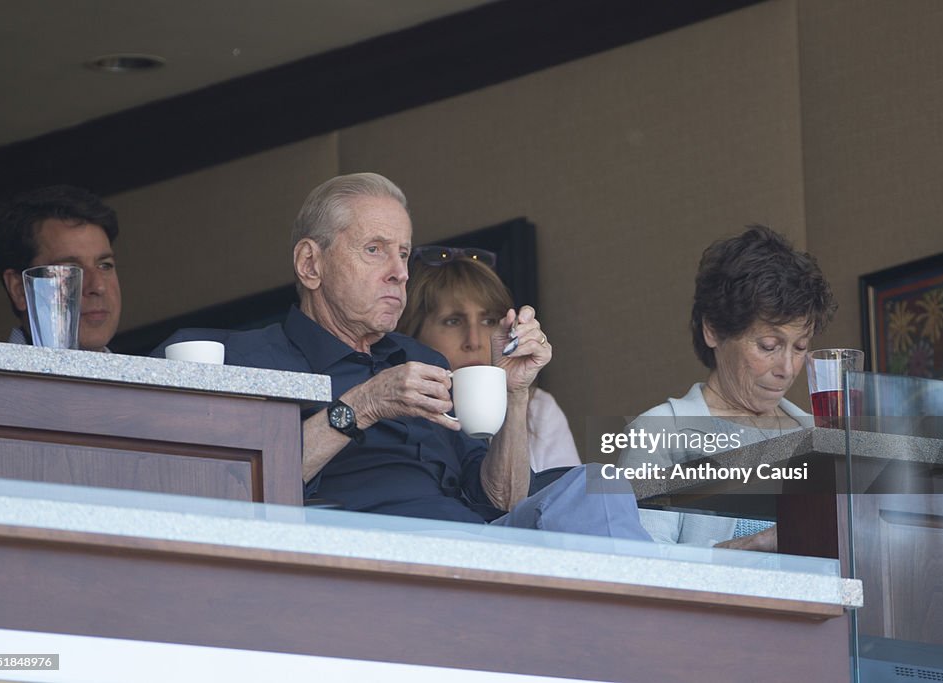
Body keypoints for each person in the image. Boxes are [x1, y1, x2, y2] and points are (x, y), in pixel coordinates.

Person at [155, 172, 649, 540]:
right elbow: (216, 489)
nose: (400, 272)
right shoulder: (238, 357)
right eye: (375, 250)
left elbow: (502, 500)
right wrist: (364, 406)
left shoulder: (425, 359)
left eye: (403, 254)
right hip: (359, 559)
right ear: (311, 264)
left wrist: (514, 394)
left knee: (595, 482)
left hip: (477, 550)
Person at [618, 225, 836, 550]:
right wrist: (750, 548)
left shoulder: (817, 437)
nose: (788, 369)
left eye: (800, 347)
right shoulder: (659, 434)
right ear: (714, 331)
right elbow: (644, 578)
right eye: (767, 346)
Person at [396, 250, 581, 473]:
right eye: (453, 321)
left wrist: (515, 399)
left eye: (488, 320)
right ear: (412, 332)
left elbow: (568, 501)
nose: (474, 341)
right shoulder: (392, 404)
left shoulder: (536, 407)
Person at [0, 185, 122, 352]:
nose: (98, 286)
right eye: (69, 270)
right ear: (20, 289)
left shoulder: (146, 376)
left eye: (105, 265)